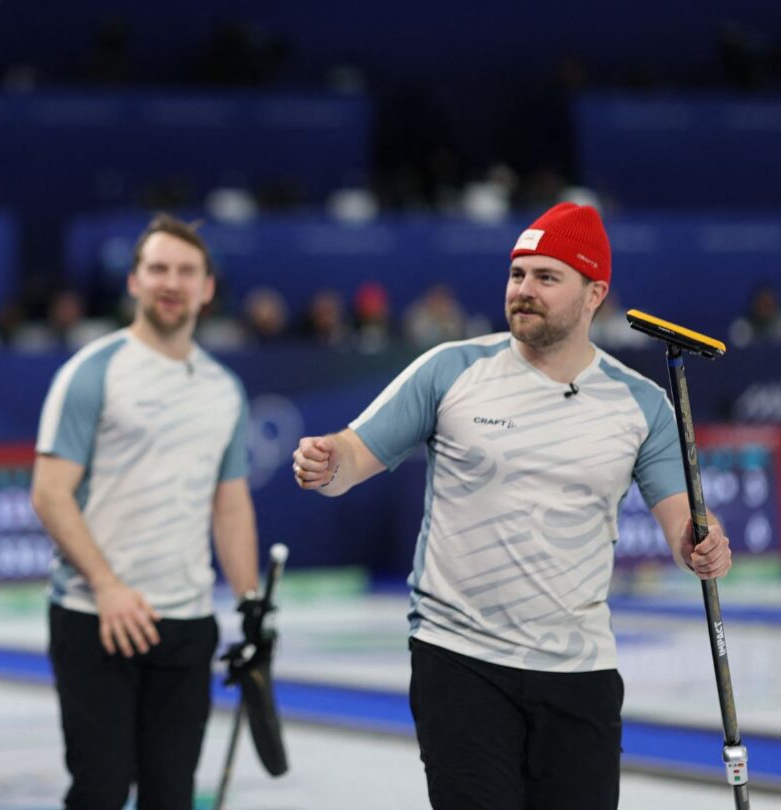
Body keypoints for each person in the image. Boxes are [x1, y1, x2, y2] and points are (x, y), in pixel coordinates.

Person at [291, 202, 733, 809]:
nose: (524, 290)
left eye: (547, 278)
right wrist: (326, 461)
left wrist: (702, 546)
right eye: (517, 275)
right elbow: (351, 455)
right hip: (461, 659)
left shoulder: (643, 405)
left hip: (581, 672)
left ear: (593, 292)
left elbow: (684, 521)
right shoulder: (453, 370)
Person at [31, 213, 260, 809]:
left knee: (172, 795)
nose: (172, 281)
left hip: (186, 623)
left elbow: (230, 506)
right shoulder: (93, 372)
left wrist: (251, 603)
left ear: (207, 288)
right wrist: (107, 587)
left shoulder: (223, 388)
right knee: (100, 791)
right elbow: (50, 494)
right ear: (133, 281)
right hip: (94, 616)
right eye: (157, 267)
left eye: (187, 271)